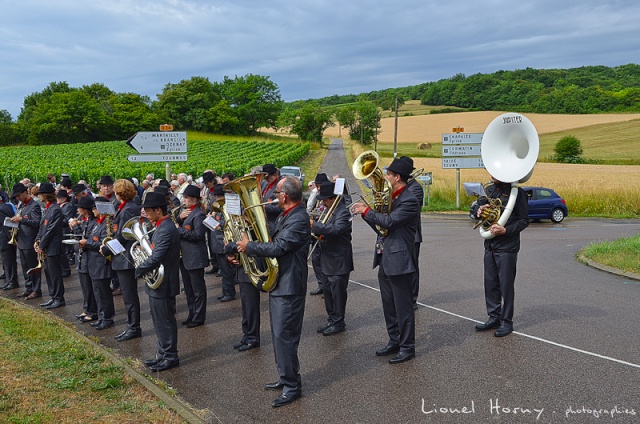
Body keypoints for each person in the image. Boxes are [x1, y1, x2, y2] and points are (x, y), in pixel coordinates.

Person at [234, 176, 310, 407]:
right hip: (282, 284)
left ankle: (292, 386)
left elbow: (279, 247)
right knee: (280, 336)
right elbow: (272, 237)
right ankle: (286, 377)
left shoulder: (298, 219)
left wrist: (250, 247)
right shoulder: (288, 214)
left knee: (284, 337)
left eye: (276, 193)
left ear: (285, 196)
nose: (273, 197)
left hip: (289, 286)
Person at [350, 158, 420, 364]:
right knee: (388, 304)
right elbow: (382, 229)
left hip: (400, 260)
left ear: (397, 177)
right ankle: (394, 340)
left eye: (388, 174)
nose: (385, 177)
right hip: (385, 257)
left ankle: (407, 347)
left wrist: (367, 210)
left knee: (403, 307)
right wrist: (366, 215)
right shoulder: (392, 198)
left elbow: (389, 221)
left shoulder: (409, 199)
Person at [470, 176, 529, 337]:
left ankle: (506, 321)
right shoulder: (489, 190)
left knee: (506, 286)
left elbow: (524, 220)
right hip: (490, 245)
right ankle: (493, 317)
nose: (492, 174)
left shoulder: (517, 193)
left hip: (507, 247)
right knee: (490, 284)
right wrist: (478, 211)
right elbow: (474, 209)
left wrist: (506, 230)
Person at [136, 191, 181, 372]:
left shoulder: (166, 228)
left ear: (157, 209)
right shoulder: (161, 226)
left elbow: (157, 257)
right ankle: (162, 354)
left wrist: (138, 269)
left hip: (164, 282)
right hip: (159, 282)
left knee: (165, 321)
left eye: (148, 210)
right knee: (159, 320)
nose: (145, 213)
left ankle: (170, 356)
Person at [311, 181, 354, 336]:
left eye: (324, 199)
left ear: (332, 198)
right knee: (328, 291)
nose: (322, 202)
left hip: (338, 259)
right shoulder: (328, 210)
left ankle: (339, 321)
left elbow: (336, 230)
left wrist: (313, 225)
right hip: (327, 258)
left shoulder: (343, 211)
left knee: (338, 292)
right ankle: (332, 318)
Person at [103, 179, 141, 341]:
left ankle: (133, 326)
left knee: (129, 296)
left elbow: (122, 236)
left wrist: (106, 248)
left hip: (125, 257)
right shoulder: (127, 207)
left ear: (120, 194)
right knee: (128, 295)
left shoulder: (127, 209)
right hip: (123, 256)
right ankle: (131, 325)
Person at [176, 184, 209, 328]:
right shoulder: (187, 213)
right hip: (185, 256)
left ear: (194, 200)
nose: (184, 200)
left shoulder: (199, 214)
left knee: (198, 290)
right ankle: (192, 314)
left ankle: (199, 317)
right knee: (189, 289)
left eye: (186, 198)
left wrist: (179, 230)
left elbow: (198, 235)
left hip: (195, 256)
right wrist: (178, 219)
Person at [83, 196, 116, 330]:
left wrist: (87, 243)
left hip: (101, 263)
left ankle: (107, 317)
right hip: (94, 263)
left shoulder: (107, 224)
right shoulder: (97, 223)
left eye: (95, 208)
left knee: (103, 293)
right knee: (97, 292)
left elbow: (104, 243)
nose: (93, 210)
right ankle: (102, 316)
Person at [35, 182, 66, 309]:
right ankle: (53, 296)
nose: (39, 196)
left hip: (52, 247)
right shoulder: (48, 208)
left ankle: (59, 298)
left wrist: (41, 244)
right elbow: (42, 227)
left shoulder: (55, 209)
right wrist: (37, 240)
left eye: (40, 194)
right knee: (48, 272)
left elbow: (51, 230)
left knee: (55, 274)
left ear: (45, 195)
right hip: (46, 247)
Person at [399, 156, 424, 309]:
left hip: (412, 235)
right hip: (399, 234)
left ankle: (412, 299)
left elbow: (404, 208)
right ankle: (403, 296)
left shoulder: (415, 188)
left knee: (412, 268)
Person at [11, 183, 42, 299]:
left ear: (25, 192)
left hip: (30, 240)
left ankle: (36, 289)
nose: (17, 198)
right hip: (23, 240)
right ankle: (29, 288)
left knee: (32, 267)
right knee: (25, 267)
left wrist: (21, 219)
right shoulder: (23, 206)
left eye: (19, 196)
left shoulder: (34, 205)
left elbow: (36, 222)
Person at [73, 196, 98, 322]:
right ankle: (87, 308)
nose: (77, 210)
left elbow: (85, 237)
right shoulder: (86, 221)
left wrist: (75, 227)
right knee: (84, 285)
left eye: (80, 208)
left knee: (89, 286)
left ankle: (92, 311)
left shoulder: (93, 222)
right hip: (83, 258)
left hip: (89, 258)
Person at [308, 173, 329, 296]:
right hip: (316, 231)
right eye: (317, 185)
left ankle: (327, 286)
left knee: (324, 261)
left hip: (325, 231)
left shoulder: (330, 194)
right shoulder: (317, 194)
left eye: (320, 185)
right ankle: (321, 284)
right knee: (315, 259)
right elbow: (313, 208)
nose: (319, 188)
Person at [0, 196, 19, 290]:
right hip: (6, 238)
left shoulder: (1, 208)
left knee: (8, 261)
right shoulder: (5, 206)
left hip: (5, 238)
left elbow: (6, 225)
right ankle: (9, 280)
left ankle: (12, 281)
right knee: (7, 261)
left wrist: (11, 239)